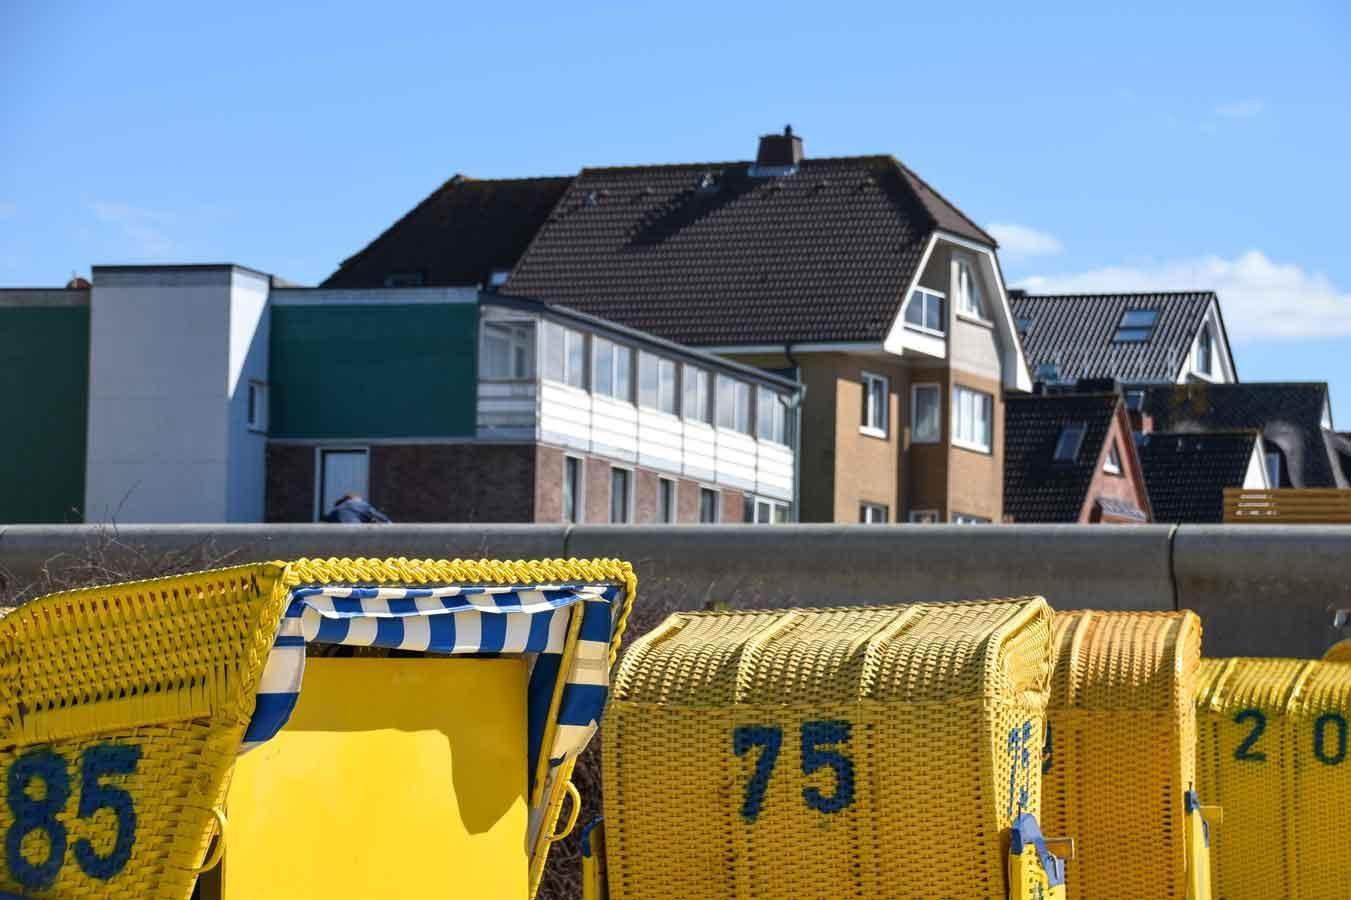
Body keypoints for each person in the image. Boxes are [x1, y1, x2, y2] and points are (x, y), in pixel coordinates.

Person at [323, 492, 392, 524]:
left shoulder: (335, 511)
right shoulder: (361, 505)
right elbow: (384, 519)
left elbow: (325, 522)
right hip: (355, 534)